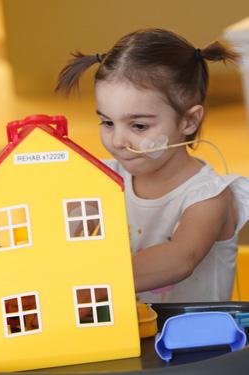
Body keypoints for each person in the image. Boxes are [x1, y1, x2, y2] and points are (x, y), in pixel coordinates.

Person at [55, 28, 249, 303]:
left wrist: (92, 283)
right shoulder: (103, 180)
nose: (119, 140)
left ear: (188, 121)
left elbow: (181, 258)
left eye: (139, 125)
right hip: (132, 332)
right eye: (108, 122)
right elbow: (62, 232)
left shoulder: (209, 196)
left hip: (198, 340)